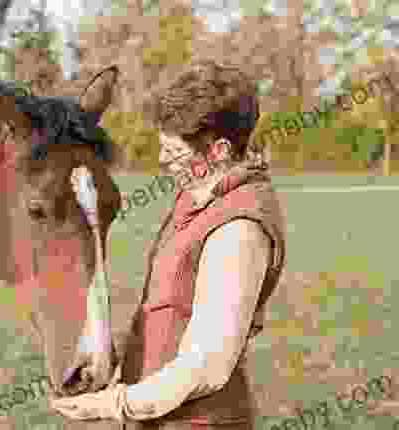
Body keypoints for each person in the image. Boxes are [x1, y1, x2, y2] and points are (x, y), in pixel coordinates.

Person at [52, 59, 287, 430]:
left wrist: (113, 405)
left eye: (175, 153)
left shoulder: (239, 228)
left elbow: (205, 366)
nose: (162, 162)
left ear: (220, 150)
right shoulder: (196, 196)